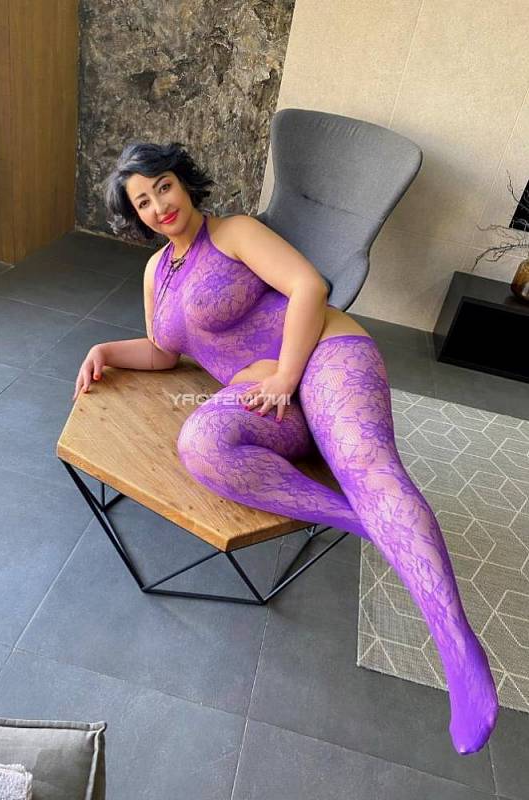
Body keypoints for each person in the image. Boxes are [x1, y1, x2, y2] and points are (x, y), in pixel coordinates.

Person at [73, 140, 499, 755]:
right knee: (201, 444)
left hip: (324, 356)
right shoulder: (155, 272)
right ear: (134, 215)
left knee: (368, 468)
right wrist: (105, 350)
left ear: (183, 182)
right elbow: (165, 351)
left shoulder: (235, 233)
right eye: (142, 201)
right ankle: (377, 527)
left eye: (163, 186)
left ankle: (457, 647)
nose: (159, 205)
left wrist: (285, 375)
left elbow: (308, 286)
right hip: (270, 402)